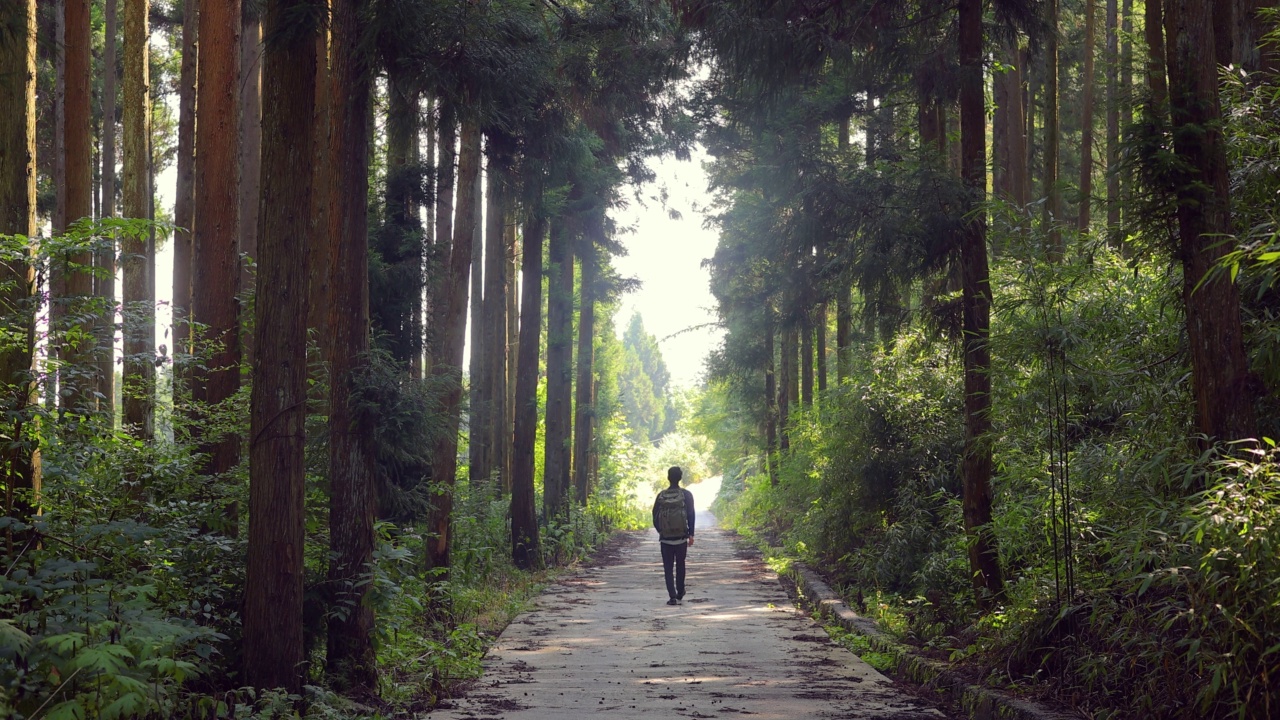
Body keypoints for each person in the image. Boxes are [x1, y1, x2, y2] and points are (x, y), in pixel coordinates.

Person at [652, 466, 695, 605]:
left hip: (666, 539)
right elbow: (690, 515)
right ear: (680, 478)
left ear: (668, 478)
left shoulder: (661, 495)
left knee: (668, 567)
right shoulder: (686, 495)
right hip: (681, 537)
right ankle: (680, 591)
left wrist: (661, 531)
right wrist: (691, 534)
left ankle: (672, 596)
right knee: (681, 564)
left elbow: (654, 515)